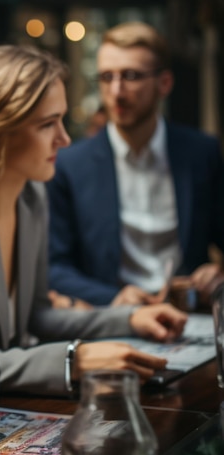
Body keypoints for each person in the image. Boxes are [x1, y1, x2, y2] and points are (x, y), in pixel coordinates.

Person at [0, 44, 187, 395]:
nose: (65, 138)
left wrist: (129, 318)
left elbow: (37, 315)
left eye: (62, 119)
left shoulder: (32, 197)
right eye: (47, 124)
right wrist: (72, 361)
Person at [47, 21, 224, 307]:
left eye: (130, 76)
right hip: (114, 321)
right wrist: (115, 298)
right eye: (106, 77)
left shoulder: (201, 153)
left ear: (164, 83)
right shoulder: (69, 165)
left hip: (192, 316)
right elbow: (54, 268)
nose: (116, 91)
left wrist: (218, 273)